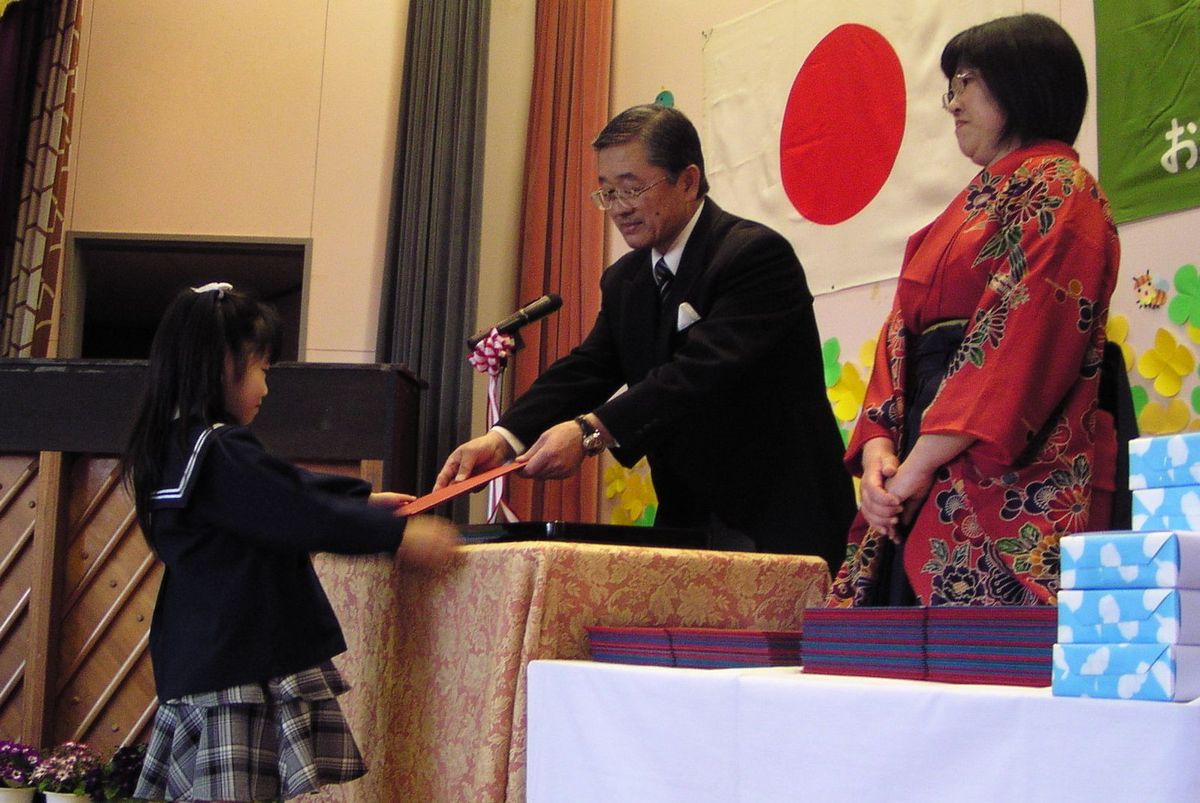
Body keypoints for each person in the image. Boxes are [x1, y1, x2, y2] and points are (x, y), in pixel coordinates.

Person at [436, 104, 855, 570]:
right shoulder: (626, 279)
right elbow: (590, 367)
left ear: (688, 180)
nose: (618, 207)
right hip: (689, 519)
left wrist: (588, 432)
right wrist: (504, 438)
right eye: (606, 192)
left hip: (780, 517)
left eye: (632, 188)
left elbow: (697, 372)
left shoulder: (753, 256)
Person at [120, 282, 460, 801]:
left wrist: (361, 499)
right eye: (261, 369)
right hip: (236, 665)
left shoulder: (176, 445)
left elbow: (277, 489)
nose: (266, 387)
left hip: (202, 657)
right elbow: (293, 509)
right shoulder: (218, 448)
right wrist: (397, 535)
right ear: (219, 364)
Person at [827, 13, 1120, 608]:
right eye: (952, 86)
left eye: (965, 82)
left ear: (1023, 82)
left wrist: (911, 471)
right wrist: (882, 450)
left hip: (994, 463)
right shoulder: (960, 209)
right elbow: (899, 337)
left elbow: (1016, 339)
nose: (952, 103)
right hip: (918, 452)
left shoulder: (1063, 188)